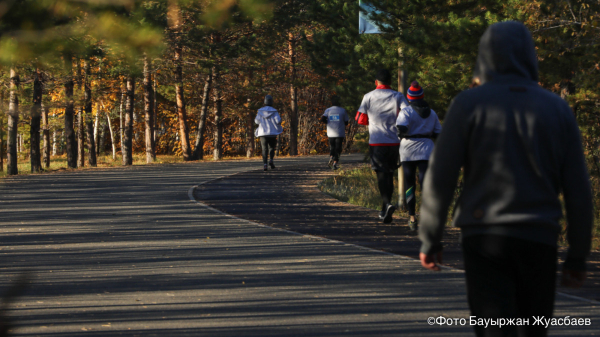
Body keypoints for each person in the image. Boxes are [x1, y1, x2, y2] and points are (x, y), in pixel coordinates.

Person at [418, 21, 592, 337]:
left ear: (484, 56)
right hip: (539, 235)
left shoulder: (468, 104)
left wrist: (430, 237)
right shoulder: (556, 109)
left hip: (484, 236)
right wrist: (577, 256)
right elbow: (578, 189)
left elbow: (439, 178)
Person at [356, 69, 409, 223]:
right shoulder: (398, 96)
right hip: (394, 142)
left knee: (381, 174)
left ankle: (386, 204)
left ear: (376, 82)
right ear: (391, 82)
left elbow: (360, 119)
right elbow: (407, 114)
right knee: (390, 173)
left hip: (377, 141)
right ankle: (385, 207)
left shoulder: (368, 97)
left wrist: (371, 122)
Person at [396, 81, 441, 231]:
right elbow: (438, 133)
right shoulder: (432, 113)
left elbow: (401, 128)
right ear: (422, 97)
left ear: (409, 98)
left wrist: (401, 133)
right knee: (425, 183)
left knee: (409, 183)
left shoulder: (406, 112)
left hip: (408, 150)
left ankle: (412, 217)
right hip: (427, 149)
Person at [320, 95, 349, 170]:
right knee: (338, 148)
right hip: (340, 132)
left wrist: (328, 122)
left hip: (330, 132)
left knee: (332, 146)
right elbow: (346, 122)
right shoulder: (343, 110)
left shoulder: (328, 110)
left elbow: (322, 118)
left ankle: (331, 156)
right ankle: (335, 163)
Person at [255, 95, 283, 171]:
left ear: (265, 101)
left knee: (264, 149)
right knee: (271, 148)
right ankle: (271, 159)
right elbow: (278, 121)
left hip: (263, 132)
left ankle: (265, 164)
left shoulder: (260, 111)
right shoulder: (274, 111)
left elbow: (256, 121)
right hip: (272, 132)